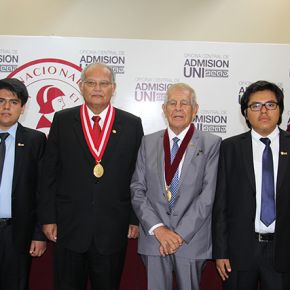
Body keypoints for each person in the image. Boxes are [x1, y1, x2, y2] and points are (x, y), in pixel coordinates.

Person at [39, 63, 144, 290]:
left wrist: (134, 219)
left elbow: (138, 175)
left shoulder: (132, 124)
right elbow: (49, 174)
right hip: (69, 227)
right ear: (81, 86)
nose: (97, 88)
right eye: (91, 83)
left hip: (112, 228)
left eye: (104, 83)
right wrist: (48, 218)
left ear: (113, 88)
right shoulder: (63, 120)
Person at [131, 83, 221, 290]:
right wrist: (159, 229)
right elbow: (137, 189)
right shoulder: (148, 142)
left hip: (190, 240)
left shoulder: (211, 143)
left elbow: (208, 196)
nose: (178, 108)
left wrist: (179, 235)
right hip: (155, 239)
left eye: (184, 103)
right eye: (172, 103)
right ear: (164, 109)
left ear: (195, 109)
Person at [212, 80, 290, 290]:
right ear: (245, 113)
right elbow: (220, 203)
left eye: (270, 104)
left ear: (280, 109)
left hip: (283, 251)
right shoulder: (230, 148)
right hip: (240, 250)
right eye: (255, 105)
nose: (263, 110)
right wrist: (221, 252)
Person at [0, 78, 47, 290]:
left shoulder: (35, 141)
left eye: (14, 102)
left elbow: (42, 191)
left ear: (23, 108)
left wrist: (38, 234)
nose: (6, 107)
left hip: (16, 233)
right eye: (0, 101)